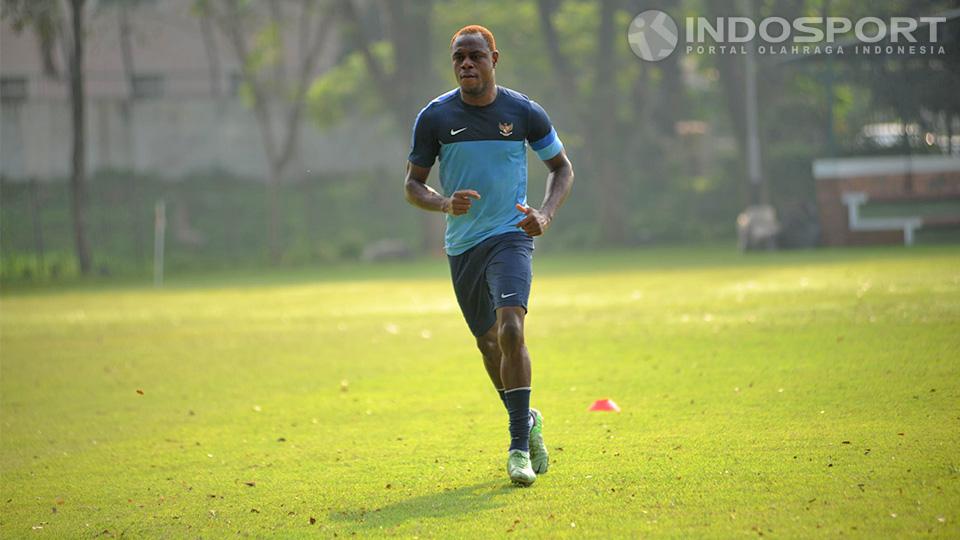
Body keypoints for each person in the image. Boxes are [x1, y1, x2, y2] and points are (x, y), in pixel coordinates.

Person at [404, 24, 575, 486]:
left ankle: (517, 447)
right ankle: (528, 421)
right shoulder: (435, 117)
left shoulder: (522, 112)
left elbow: (561, 168)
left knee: (512, 327)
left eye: (475, 56)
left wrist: (545, 214)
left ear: (493, 60)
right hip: (463, 245)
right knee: (488, 344)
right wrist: (444, 202)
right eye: (459, 57)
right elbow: (412, 185)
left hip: (511, 235)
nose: (466, 64)